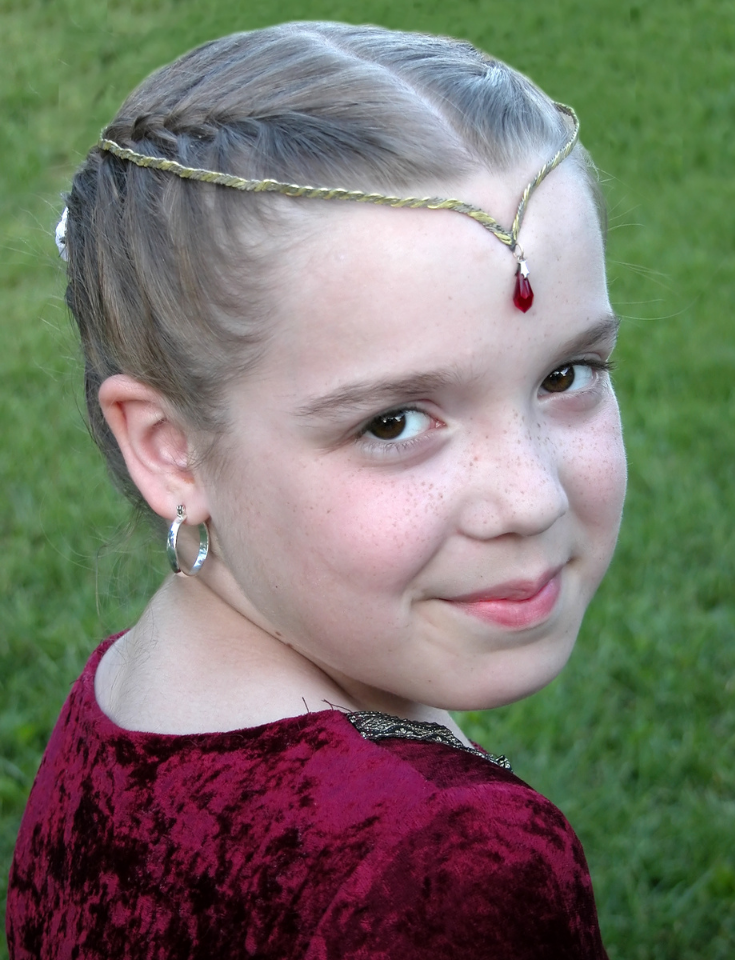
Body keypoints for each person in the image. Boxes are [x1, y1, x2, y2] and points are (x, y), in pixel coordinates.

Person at [7, 21, 626, 959]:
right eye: (393, 423)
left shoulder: (129, 698)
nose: (530, 498)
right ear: (172, 449)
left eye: (567, 374)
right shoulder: (446, 871)